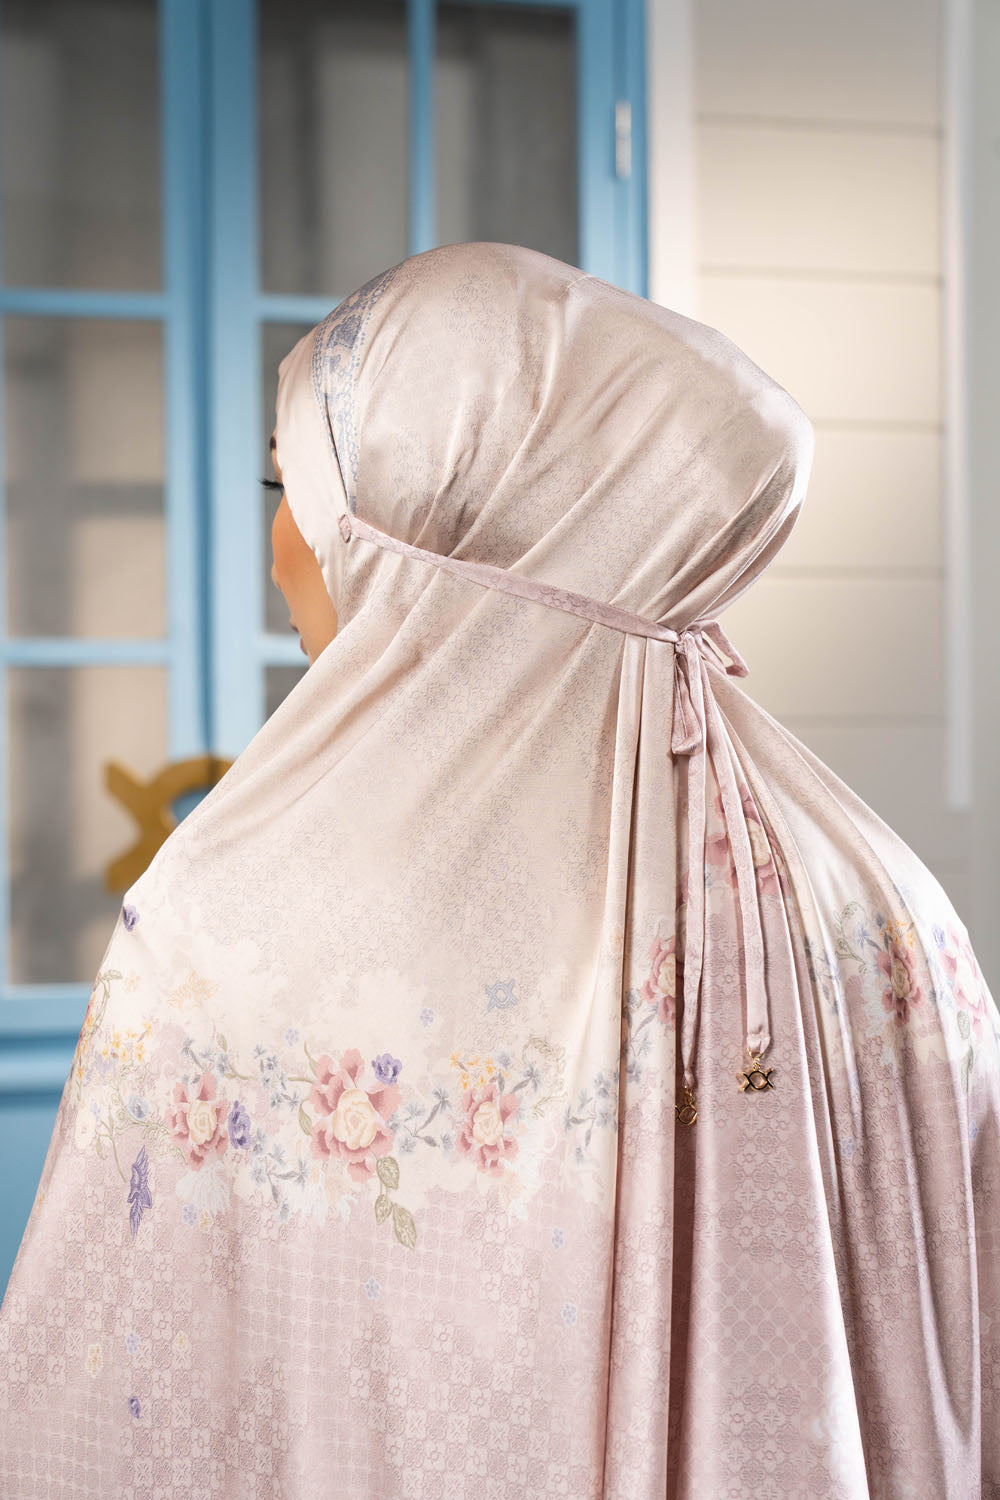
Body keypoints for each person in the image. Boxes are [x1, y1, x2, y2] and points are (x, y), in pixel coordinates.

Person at [0, 240, 997, 1498]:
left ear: (439, 528)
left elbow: (112, 1423)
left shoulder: (233, 920)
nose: (278, 548)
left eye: (293, 488)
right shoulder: (883, 895)